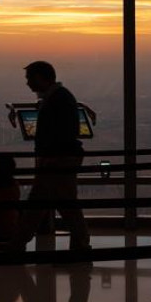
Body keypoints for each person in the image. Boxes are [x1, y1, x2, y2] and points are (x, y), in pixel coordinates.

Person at [12, 61, 90, 251]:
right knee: (51, 203)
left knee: (55, 204)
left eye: (29, 78)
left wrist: (50, 158)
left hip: (57, 160)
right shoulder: (59, 97)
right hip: (58, 158)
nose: (27, 83)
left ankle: (18, 243)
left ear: (40, 77)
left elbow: (62, 131)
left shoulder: (58, 99)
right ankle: (19, 242)